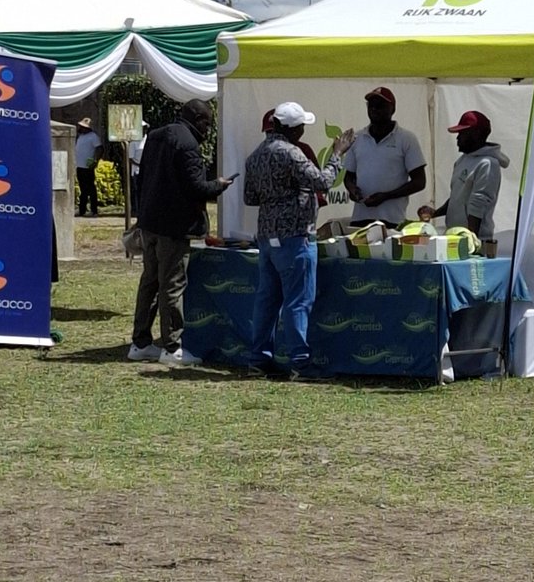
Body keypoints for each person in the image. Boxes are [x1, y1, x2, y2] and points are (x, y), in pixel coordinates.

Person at [244, 102, 354, 380]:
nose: (304, 130)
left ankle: (258, 359)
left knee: (267, 300)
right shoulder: (291, 154)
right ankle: (300, 363)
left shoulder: (256, 155)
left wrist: (277, 196)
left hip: (268, 237)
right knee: (297, 301)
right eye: (302, 126)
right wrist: (337, 154)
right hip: (294, 235)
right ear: (292, 129)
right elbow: (322, 182)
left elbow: (250, 198)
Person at [128, 100, 233, 368]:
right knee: (172, 286)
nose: (208, 130)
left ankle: (140, 343)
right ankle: (172, 347)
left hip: (150, 222)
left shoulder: (156, 135)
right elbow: (197, 187)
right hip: (174, 227)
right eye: (207, 123)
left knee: (149, 282)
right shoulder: (188, 144)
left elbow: (144, 177)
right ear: (197, 119)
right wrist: (219, 185)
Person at [343, 87, 426, 230]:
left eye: (380, 105)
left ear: (392, 109)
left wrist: (386, 196)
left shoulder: (406, 139)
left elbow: (419, 182)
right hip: (360, 219)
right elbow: (348, 176)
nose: (374, 109)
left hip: (392, 220)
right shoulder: (357, 138)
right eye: (371, 105)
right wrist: (352, 190)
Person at [432, 110, 510, 255]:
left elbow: (478, 203)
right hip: (456, 239)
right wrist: (435, 213)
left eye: (462, 133)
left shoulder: (488, 163)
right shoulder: (462, 160)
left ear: (476, 134)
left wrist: (470, 242)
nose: (457, 138)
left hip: (475, 242)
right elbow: (457, 197)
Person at [74, 117, 103, 217]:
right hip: (80, 166)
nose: (80, 128)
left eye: (82, 126)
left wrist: (95, 161)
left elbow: (99, 149)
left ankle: (94, 210)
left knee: (91, 189)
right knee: (83, 189)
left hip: (88, 167)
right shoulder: (80, 136)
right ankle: (82, 209)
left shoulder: (93, 136)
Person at [128, 121, 149, 207]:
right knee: (138, 191)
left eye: (144, 129)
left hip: (147, 170)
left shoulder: (149, 139)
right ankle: (137, 210)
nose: (143, 130)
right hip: (137, 170)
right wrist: (139, 165)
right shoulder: (134, 142)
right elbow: (130, 158)